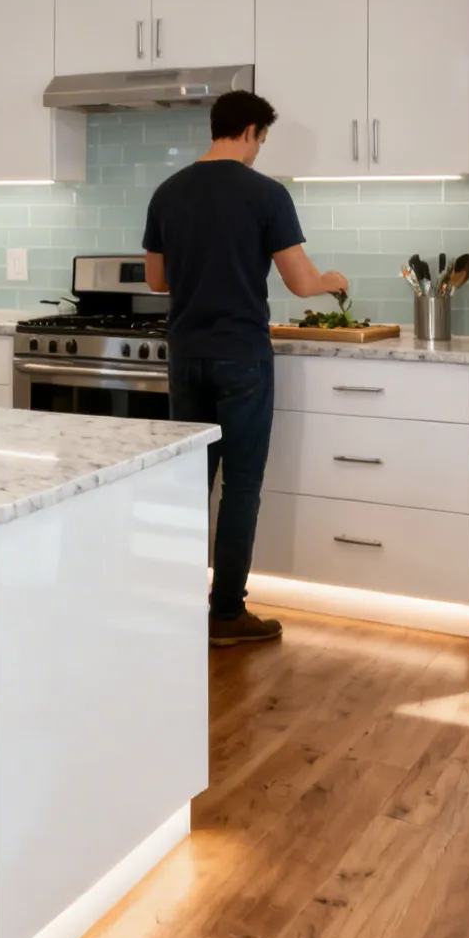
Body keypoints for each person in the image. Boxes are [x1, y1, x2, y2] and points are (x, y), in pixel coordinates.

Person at [143, 90, 349, 648]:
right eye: (262, 139)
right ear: (252, 131)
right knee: (241, 486)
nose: (259, 149)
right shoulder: (266, 194)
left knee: (190, 484)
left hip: (186, 355)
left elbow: (157, 281)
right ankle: (227, 613)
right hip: (241, 357)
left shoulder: (168, 192)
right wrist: (332, 280)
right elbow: (300, 282)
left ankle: (178, 603)